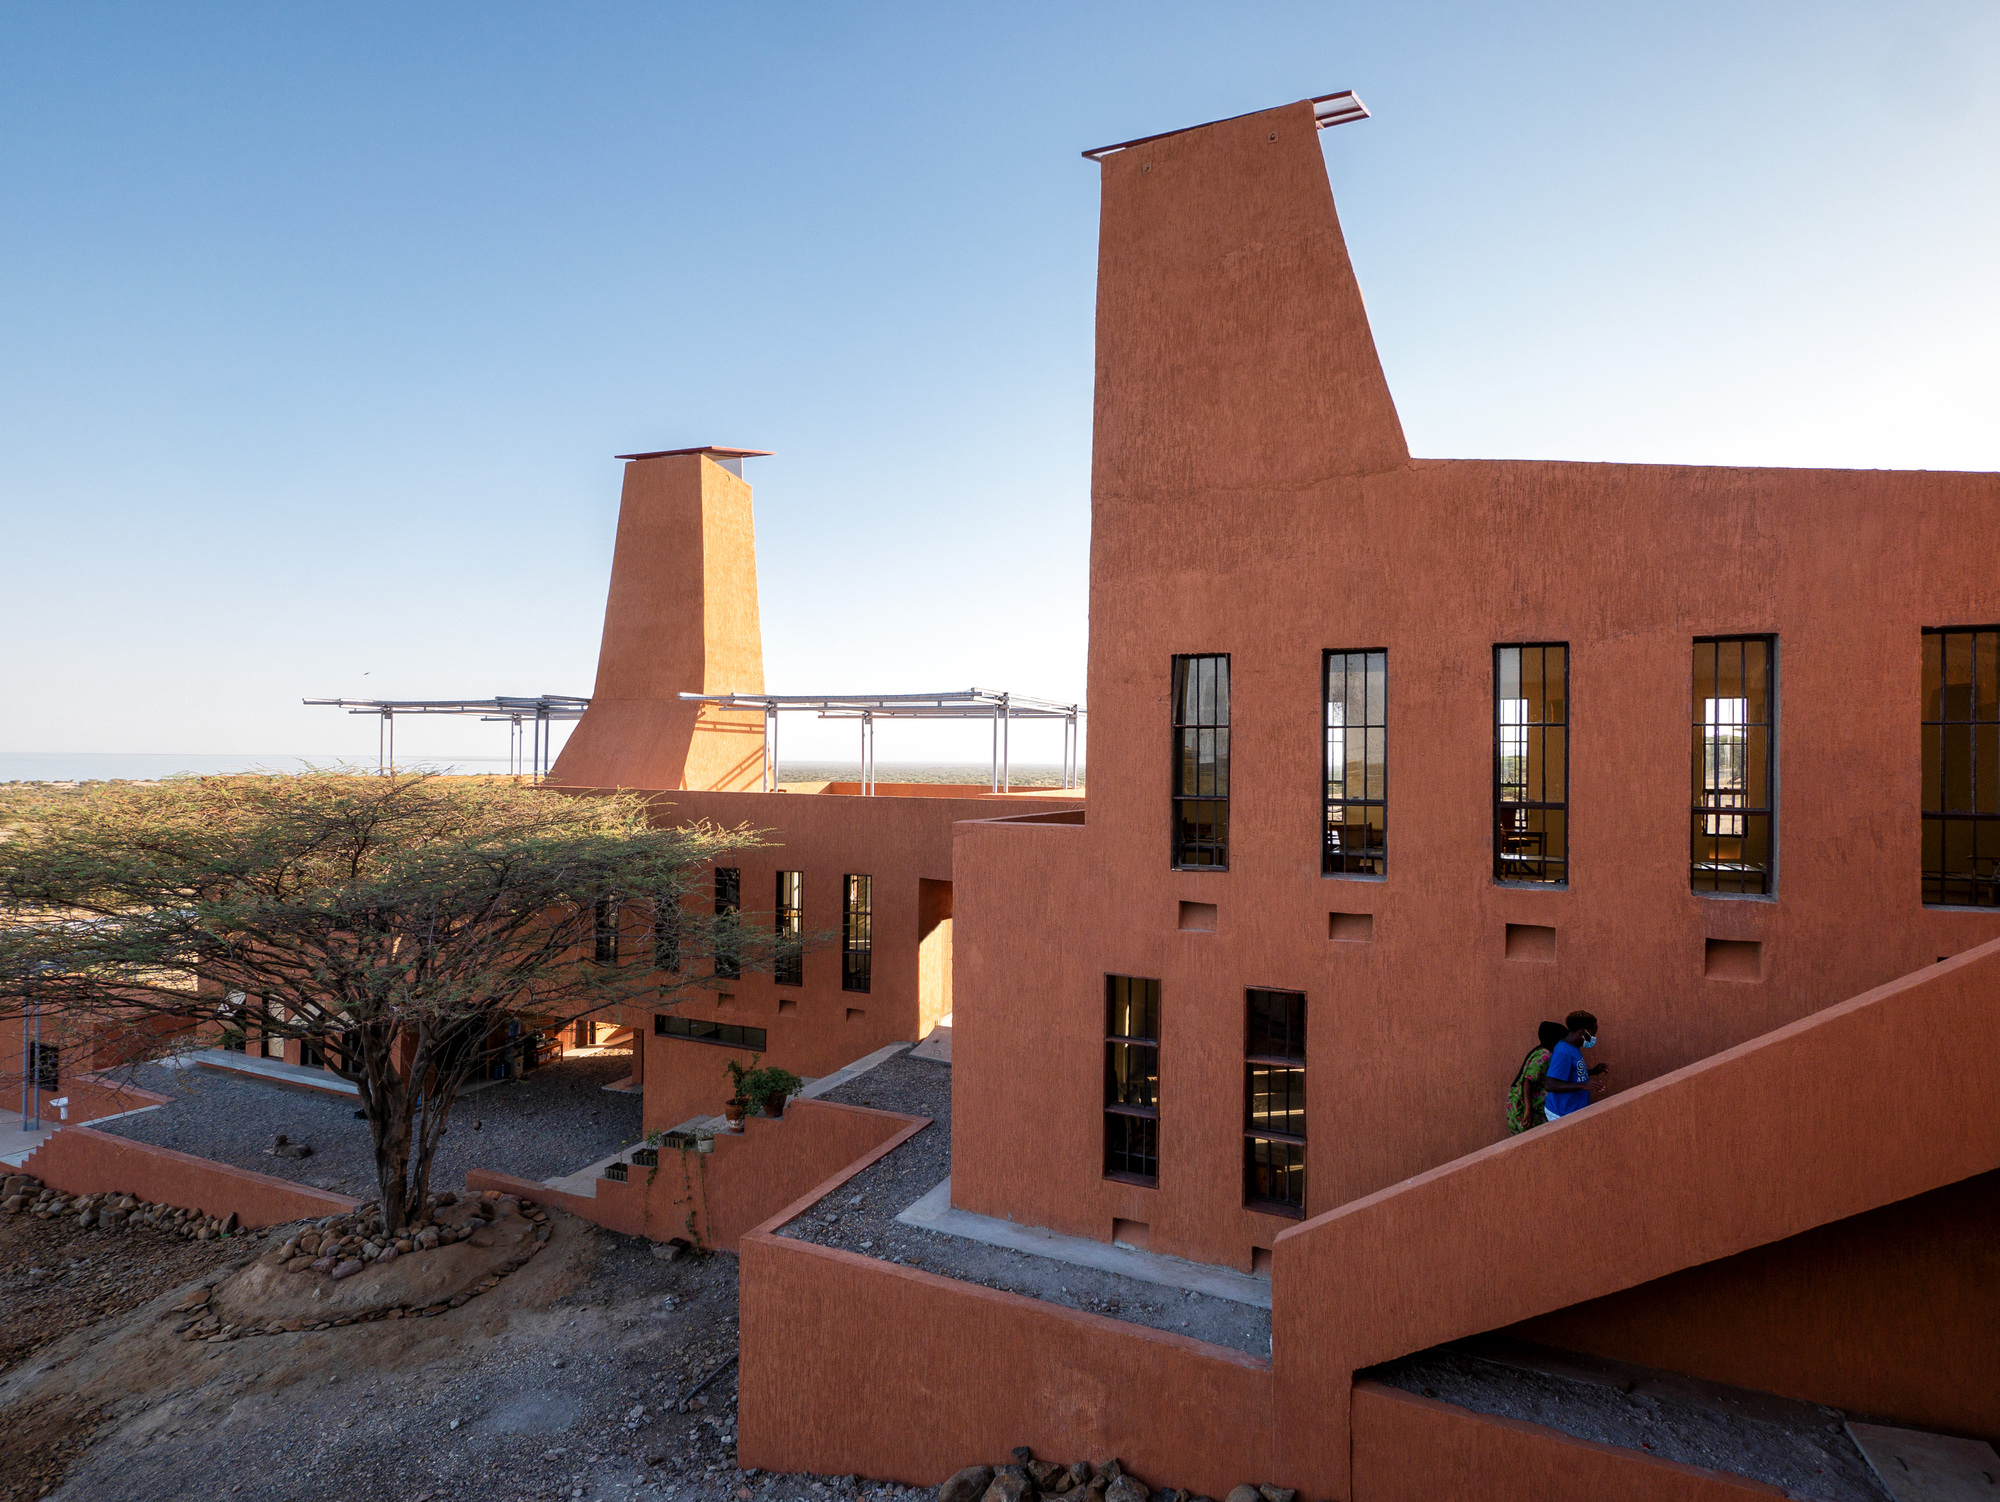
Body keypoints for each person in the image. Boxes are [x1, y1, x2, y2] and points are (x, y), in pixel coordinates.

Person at [1542, 1010, 1608, 1123]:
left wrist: (1593, 1071)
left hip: (1573, 1110)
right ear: (1583, 1031)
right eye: (1592, 1033)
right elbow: (1550, 1084)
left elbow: (1570, 1073)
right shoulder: (1563, 1051)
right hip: (1561, 1113)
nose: (1593, 1037)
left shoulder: (1574, 1048)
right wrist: (1582, 1085)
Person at [1505, 1021, 1566, 1134]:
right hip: (1522, 1107)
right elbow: (1528, 1081)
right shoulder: (1545, 1055)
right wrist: (1528, 1110)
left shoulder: (1543, 1052)